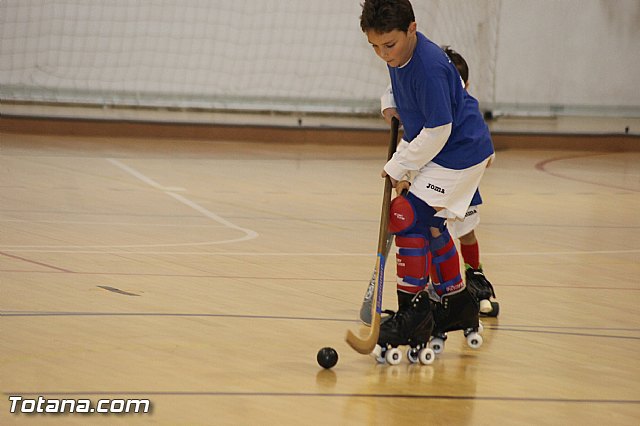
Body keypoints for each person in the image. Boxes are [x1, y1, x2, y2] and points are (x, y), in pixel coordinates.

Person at [360, 0, 495, 357]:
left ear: (412, 29)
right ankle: (456, 303)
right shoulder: (400, 55)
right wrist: (390, 102)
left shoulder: (430, 66)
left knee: (408, 218)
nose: (383, 54)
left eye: (388, 45)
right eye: (374, 46)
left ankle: (413, 313)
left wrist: (398, 166)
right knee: (433, 227)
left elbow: (438, 131)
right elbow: (400, 85)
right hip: (441, 151)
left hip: (458, 152)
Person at [380, 45, 499, 317]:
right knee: (431, 226)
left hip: (456, 169)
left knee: (462, 229)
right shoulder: (416, 76)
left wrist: (401, 169)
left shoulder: (451, 100)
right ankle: (442, 296)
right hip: (436, 167)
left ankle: (474, 277)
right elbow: (414, 144)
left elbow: (439, 138)